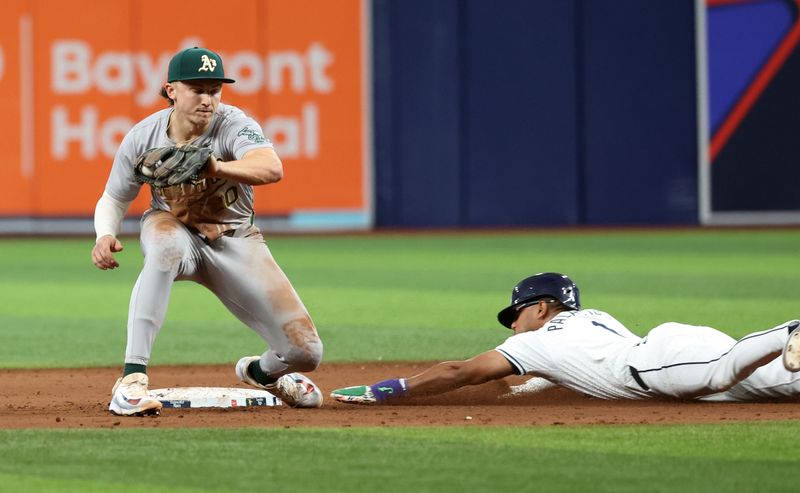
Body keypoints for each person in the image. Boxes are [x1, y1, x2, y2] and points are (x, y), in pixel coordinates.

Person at [92, 47, 323, 416]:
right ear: (171, 90)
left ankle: (260, 372)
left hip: (235, 239)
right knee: (165, 245)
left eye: (214, 89)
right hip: (174, 227)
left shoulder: (234, 123)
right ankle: (131, 380)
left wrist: (216, 167)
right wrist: (105, 234)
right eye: (197, 88)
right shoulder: (143, 136)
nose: (207, 99)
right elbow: (114, 197)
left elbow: (271, 167)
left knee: (306, 353)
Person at [331, 272, 800, 404]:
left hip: (659, 364)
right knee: (783, 384)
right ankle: (782, 342)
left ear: (540, 308)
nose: (512, 328)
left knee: (721, 374)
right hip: (671, 357)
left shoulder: (535, 340)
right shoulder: (588, 320)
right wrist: (535, 384)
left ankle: (789, 329)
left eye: (515, 315)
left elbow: (461, 372)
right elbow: (571, 369)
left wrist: (385, 390)